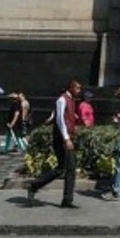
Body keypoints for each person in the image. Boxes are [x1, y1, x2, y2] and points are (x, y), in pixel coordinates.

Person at [27, 79, 82, 209]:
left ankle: (35, 185)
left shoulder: (71, 101)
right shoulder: (61, 100)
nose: (79, 91)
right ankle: (66, 200)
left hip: (67, 137)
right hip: (62, 138)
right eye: (78, 88)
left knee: (62, 168)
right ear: (71, 88)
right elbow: (59, 120)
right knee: (69, 169)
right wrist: (66, 138)